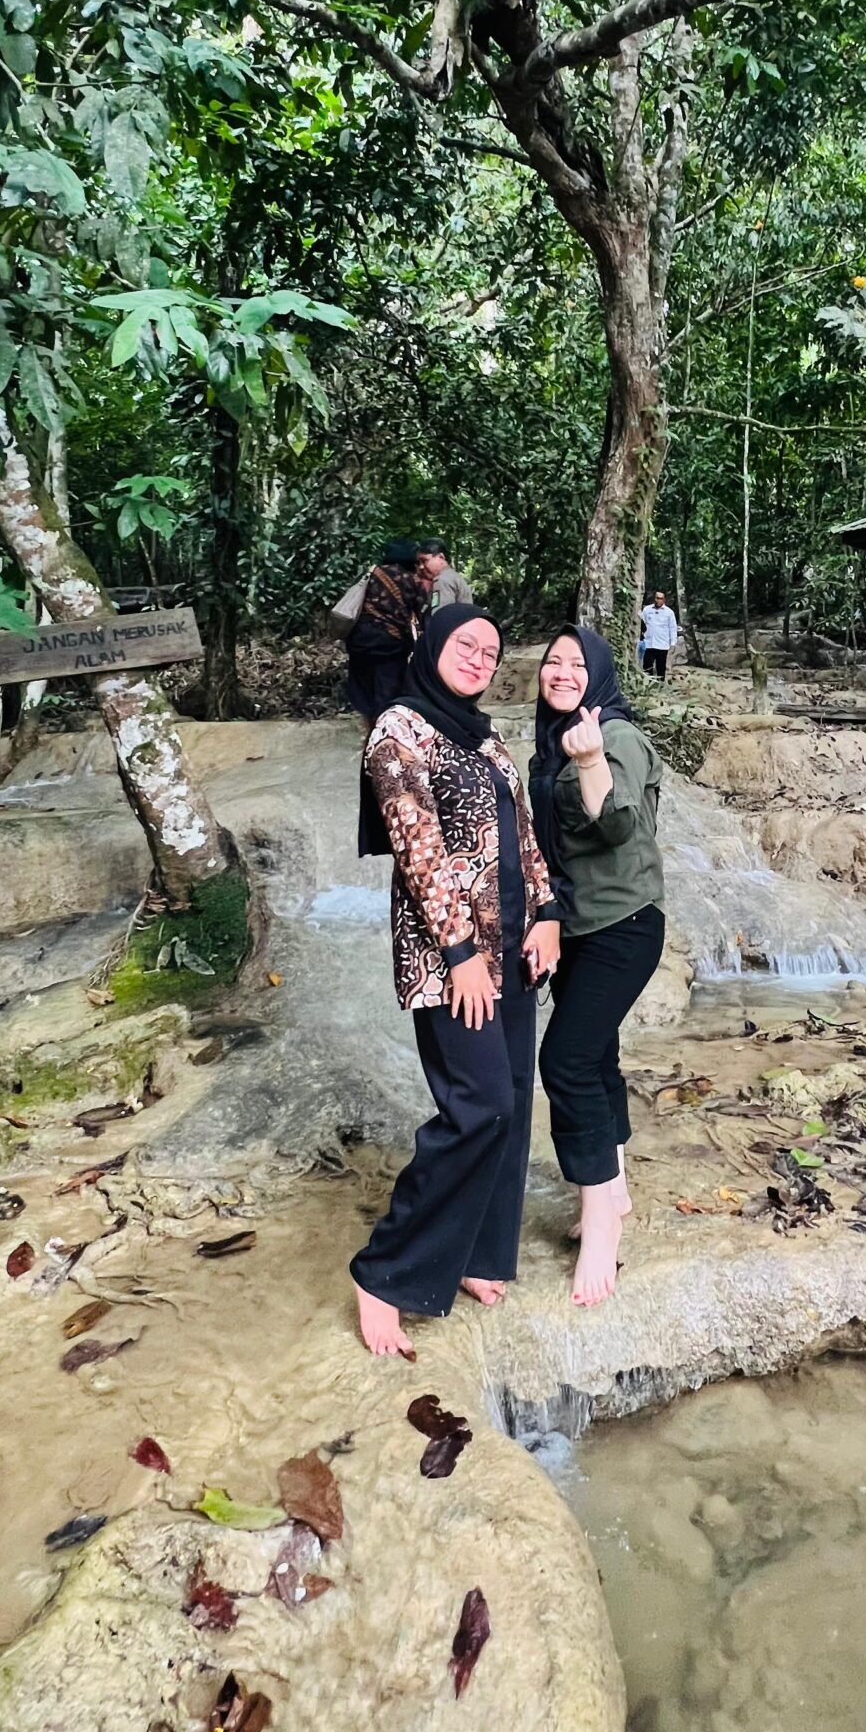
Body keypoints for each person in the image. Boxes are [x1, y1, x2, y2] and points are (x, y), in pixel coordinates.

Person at [351, 603, 561, 1357]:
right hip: (452, 959)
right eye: (466, 644)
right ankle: (384, 1273)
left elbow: (523, 834)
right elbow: (419, 850)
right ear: (433, 645)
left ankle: (476, 1253)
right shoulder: (399, 730)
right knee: (477, 1107)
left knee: (512, 1101)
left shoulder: (486, 737)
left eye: (491, 652)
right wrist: (461, 952)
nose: (479, 658)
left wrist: (547, 913)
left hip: (515, 945)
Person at [530, 627, 666, 1307]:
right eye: (552, 661)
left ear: (601, 674)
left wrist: (587, 762)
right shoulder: (550, 741)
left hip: (623, 925)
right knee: (597, 1055)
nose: (561, 672)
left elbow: (616, 824)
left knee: (565, 1062)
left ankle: (602, 1224)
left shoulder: (616, 738)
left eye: (576, 663)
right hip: (577, 924)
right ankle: (615, 1189)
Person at [347, 541, 428, 857]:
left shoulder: (372, 574)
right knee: (387, 693)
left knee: (364, 688)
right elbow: (420, 609)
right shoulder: (408, 580)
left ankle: (369, 723)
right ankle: (382, 735)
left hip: (359, 644)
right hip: (389, 645)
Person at [417, 538, 473, 613]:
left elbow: (440, 615)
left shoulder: (442, 580)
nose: (421, 567)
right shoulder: (453, 576)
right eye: (419, 562)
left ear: (441, 557)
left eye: (424, 561)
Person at [639, 589, 678, 679]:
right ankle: (648, 683)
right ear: (654, 598)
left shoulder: (669, 613)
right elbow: (642, 623)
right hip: (649, 644)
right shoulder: (647, 609)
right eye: (657, 598)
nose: (658, 600)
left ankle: (660, 684)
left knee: (661, 668)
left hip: (662, 645)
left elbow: (672, 628)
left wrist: (673, 643)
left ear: (664, 600)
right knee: (647, 667)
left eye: (661, 598)